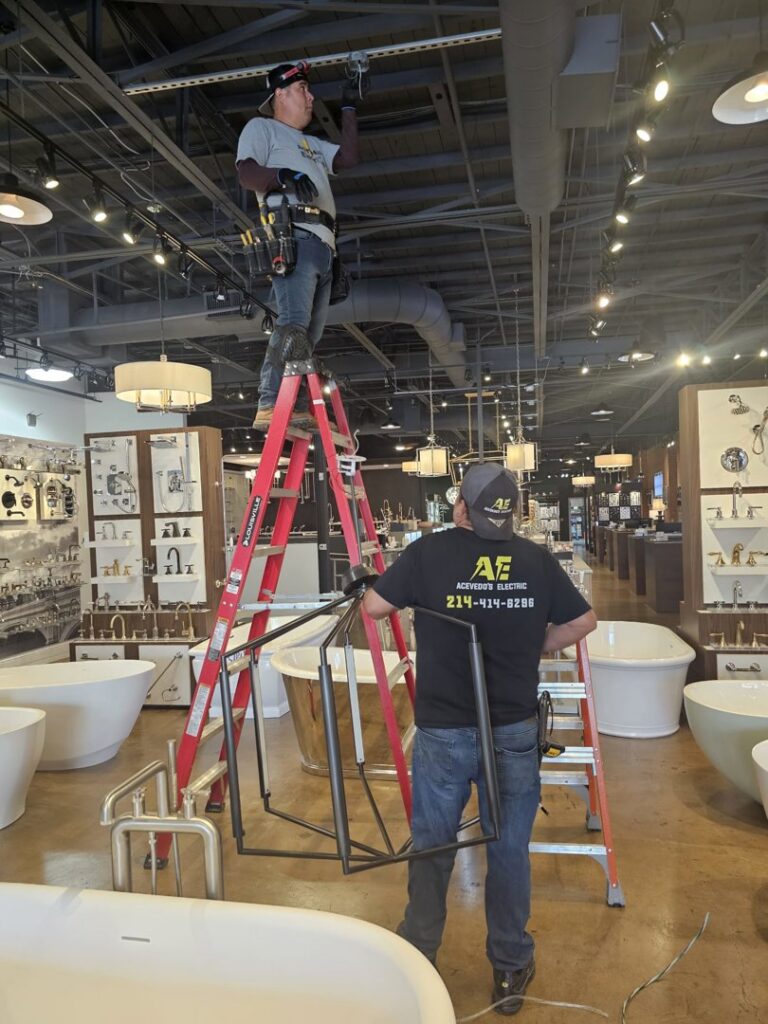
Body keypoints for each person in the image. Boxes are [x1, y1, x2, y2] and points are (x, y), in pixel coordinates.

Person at [363, 464, 596, 1015]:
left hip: (444, 728)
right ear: (509, 513)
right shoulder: (537, 560)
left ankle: (418, 954)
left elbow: (374, 608)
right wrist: (538, 645)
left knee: (435, 845)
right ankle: (510, 966)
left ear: (461, 507)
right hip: (512, 727)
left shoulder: (429, 553)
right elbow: (584, 621)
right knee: (508, 849)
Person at [236, 60, 364, 430]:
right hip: (294, 234)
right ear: (280, 94)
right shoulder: (262, 129)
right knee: (293, 324)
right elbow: (246, 173)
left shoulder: (310, 144)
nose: (310, 97)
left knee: (310, 333)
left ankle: (291, 401)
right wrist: (280, 176)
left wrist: (350, 106)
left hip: (324, 244)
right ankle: (271, 401)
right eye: (302, 90)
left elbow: (348, 157)